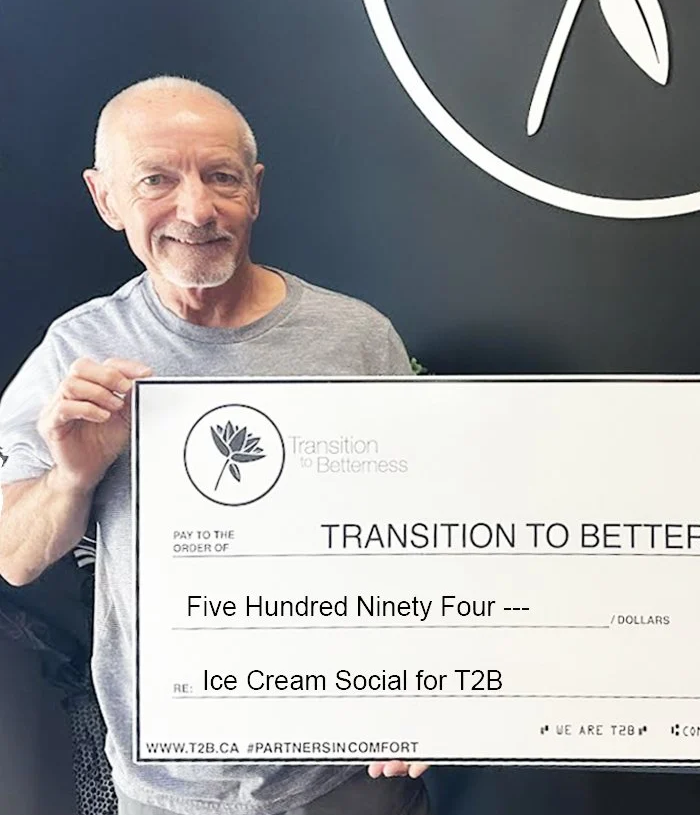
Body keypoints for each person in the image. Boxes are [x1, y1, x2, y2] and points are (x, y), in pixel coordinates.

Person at [0, 77, 429, 815]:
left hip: (343, 779)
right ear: (107, 199)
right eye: (156, 180)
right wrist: (73, 477)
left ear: (254, 191)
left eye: (221, 177)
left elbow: (422, 539)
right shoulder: (77, 350)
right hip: (166, 791)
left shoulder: (356, 337)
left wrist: (425, 690)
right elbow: (15, 555)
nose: (195, 209)